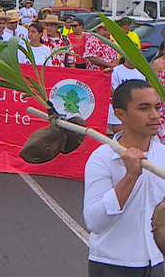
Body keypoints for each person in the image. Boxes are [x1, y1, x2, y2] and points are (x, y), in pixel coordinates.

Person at [84, 80, 165, 277]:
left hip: (158, 262)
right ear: (120, 114)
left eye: (156, 107)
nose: (154, 115)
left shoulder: (163, 154)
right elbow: (94, 222)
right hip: (113, 265)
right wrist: (130, 176)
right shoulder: (102, 158)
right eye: (144, 108)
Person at [108, 58, 146, 135]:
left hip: (135, 108)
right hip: (120, 106)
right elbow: (112, 89)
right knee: (121, 134)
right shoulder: (116, 70)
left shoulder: (140, 73)